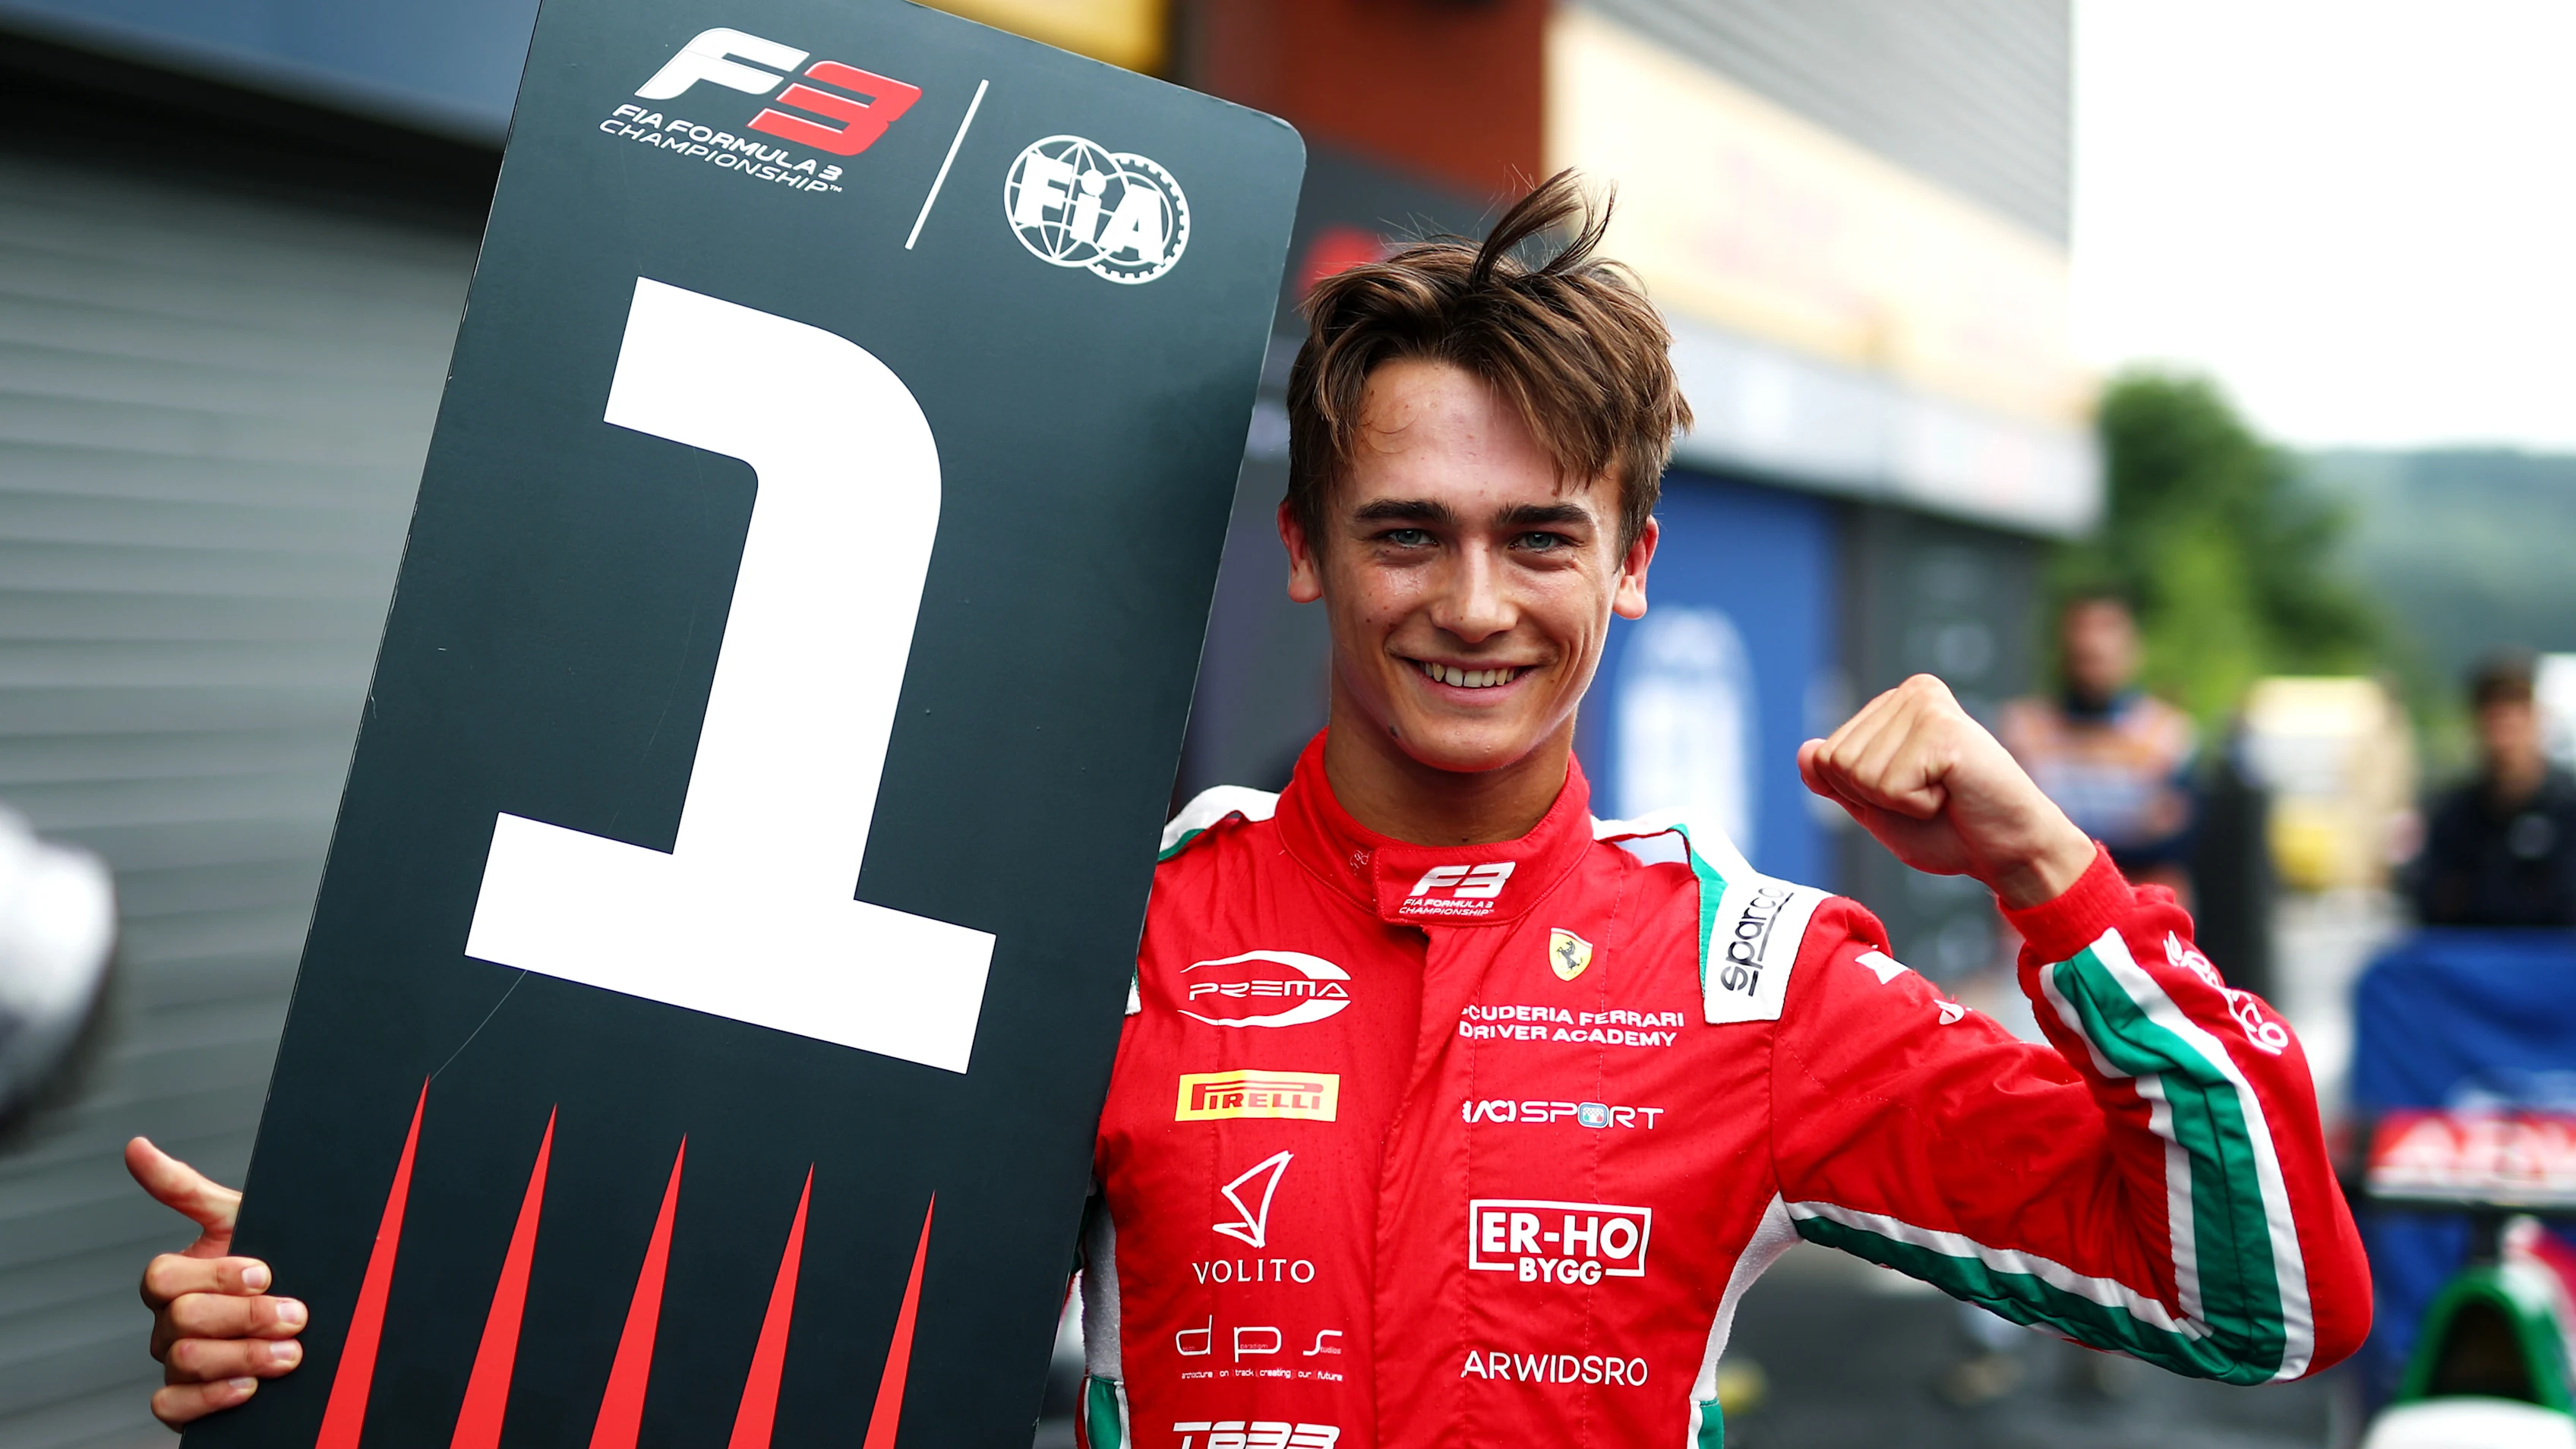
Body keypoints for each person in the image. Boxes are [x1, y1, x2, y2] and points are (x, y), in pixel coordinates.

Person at [125, 175, 2369, 1446]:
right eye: (1402, 532)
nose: (1467, 603)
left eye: (1536, 538)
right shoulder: (1090, 926)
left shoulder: (1746, 973)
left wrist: (2049, 880)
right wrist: (351, 1302)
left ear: (1630, 567)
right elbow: (702, 1310)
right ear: (1298, 548)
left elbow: (2259, 1304)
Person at [2000, 592, 2199, 897]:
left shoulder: (2166, 733)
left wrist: (2059, 844)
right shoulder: (2023, 729)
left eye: (2106, 631)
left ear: (2133, 649)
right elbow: (2007, 835)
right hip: (2043, 919)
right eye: (2082, 636)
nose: (2092, 643)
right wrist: (2133, 832)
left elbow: (2177, 842)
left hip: (2144, 918)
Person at [2410, 650, 2576, 926]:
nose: (2504, 737)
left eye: (2515, 717)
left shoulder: (2567, 808)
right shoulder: (2452, 814)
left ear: (2537, 720)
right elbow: (2431, 903)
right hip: (2472, 961)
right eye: (2494, 719)